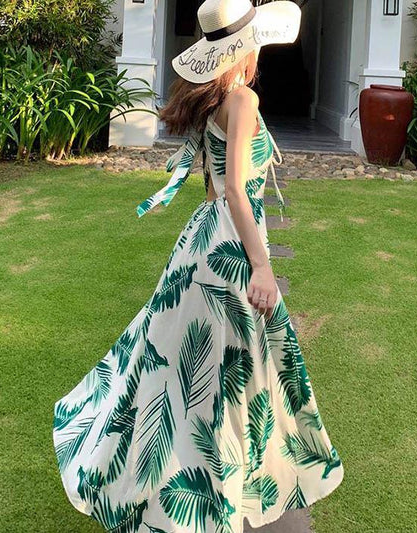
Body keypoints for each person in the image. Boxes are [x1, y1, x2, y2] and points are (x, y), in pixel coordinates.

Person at [52, 1, 344, 531]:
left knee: (186, 365)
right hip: (231, 246)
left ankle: (187, 479)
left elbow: (215, 186)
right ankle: (218, 489)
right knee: (230, 371)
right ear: (245, 50)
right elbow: (235, 191)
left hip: (203, 240)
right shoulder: (243, 98)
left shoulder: (214, 100)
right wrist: (263, 266)